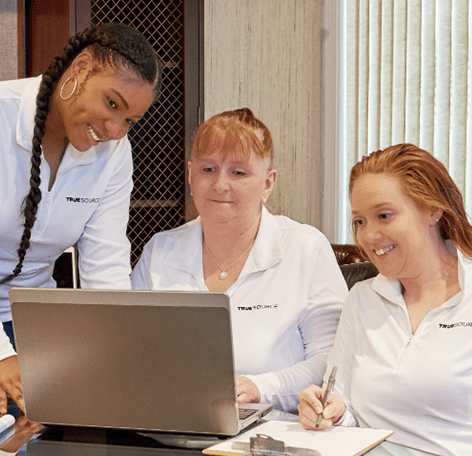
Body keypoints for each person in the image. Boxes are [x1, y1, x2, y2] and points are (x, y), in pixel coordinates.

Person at [0, 23, 162, 414]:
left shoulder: (115, 154)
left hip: (27, 316)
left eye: (130, 120)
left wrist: (118, 356)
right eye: (111, 104)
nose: (115, 130)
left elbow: (105, 264)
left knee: (29, 446)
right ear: (79, 69)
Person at [297, 143, 472, 456]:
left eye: (384, 215)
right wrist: (329, 411)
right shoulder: (362, 298)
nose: (369, 235)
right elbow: (346, 408)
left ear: (433, 210)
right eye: (359, 221)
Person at [130, 108, 347, 413]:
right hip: (170, 430)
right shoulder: (161, 251)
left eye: (238, 172)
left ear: (267, 184)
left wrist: (261, 387)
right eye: (208, 169)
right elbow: (128, 349)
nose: (220, 185)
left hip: (273, 438)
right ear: (191, 176)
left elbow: (331, 362)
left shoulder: (305, 249)